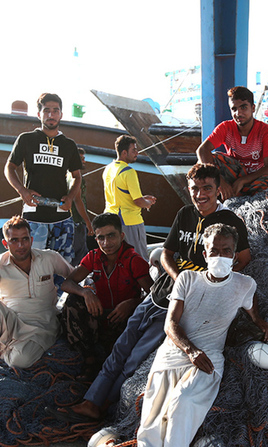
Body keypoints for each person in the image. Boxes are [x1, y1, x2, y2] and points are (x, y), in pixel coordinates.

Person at [48, 163, 251, 423]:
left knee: (136, 356)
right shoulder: (185, 213)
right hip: (160, 291)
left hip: (180, 305)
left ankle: (108, 406)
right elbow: (166, 254)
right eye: (195, 189)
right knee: (121, 347)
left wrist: (206, 285)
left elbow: (243, 258)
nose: (201, 194)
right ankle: (91, 400)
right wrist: (179, 278)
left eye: (207, 188)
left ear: (217, 189)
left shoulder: (230, 222)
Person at [107, 224, 268, 447]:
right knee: (151, 426)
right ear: (204, 253)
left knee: (181, 411)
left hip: (208, 363)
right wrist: (189, 349)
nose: (220, 256)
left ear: (235, 255)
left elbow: (253, 311)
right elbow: (171, 324)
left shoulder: (244, 284)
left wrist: (260, 322)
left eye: (226, 251)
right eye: (214, 251)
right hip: (172, 357)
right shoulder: (187, 279)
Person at [0, 216, 73, 369]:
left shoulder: (49, 257)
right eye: (14, 240)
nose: (21, 245)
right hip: (12, 321)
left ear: (31, 240)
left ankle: (5, 351)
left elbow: (74, 276)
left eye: (25, 239)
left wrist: (87, 290)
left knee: (19, 361)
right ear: (5, 243)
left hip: (43, 325)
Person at [57, 213, 152, 378]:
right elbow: (67, 283)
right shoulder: (93, 257)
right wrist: (85, 292)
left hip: (123, 320)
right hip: (99, 316)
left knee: (118, 353)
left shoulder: (134, 260)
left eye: (111, 236)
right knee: (73, 301)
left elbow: (154, 296)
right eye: (101, 238)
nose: (106, 243)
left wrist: (132, 303)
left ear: (122, 236)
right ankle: (89, 359)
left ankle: (111, 358)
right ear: (96, 239)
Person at [5, 93, 83, 265]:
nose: (51, 114)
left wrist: (70, 197)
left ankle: (56, 293)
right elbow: (9, 168)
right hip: (34, 217)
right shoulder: (26, 139)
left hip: (62, 217)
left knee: (62, 267)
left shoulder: (69, 145)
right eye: (46, 110)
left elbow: (77, 177)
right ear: (39, 114)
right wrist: (22, 191)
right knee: (32, 265)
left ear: (61, 114)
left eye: (55, 111)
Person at [196, 86, 268, 200]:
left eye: (243, 107)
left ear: (253, 108)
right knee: (207, 161)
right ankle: (215, 200)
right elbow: (202, 150)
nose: (238, 113)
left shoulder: (266, 131)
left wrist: (242, 181)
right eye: (234, 109)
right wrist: (220, 181)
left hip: (255, 178)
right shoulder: (225, 127)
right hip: (232, 177)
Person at [102, 135, 156, 261]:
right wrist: (147, 203)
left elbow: (121, 194)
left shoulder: (108, 168)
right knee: (139, 258)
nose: (137, 153)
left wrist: (143, 198)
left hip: (111, 219)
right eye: (134, 150)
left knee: (117, 258)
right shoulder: (128, 172)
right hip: (129, 222)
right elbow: (138, 201)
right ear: (124, 152)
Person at [70, 147, 94, 265]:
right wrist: (88, 222)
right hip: (77, 222)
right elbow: (77, 200)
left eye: (84, 158)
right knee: (80, 256)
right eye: (81, 159)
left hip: (70, 222)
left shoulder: (67, 175)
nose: (84, 161)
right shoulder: (77, 178)